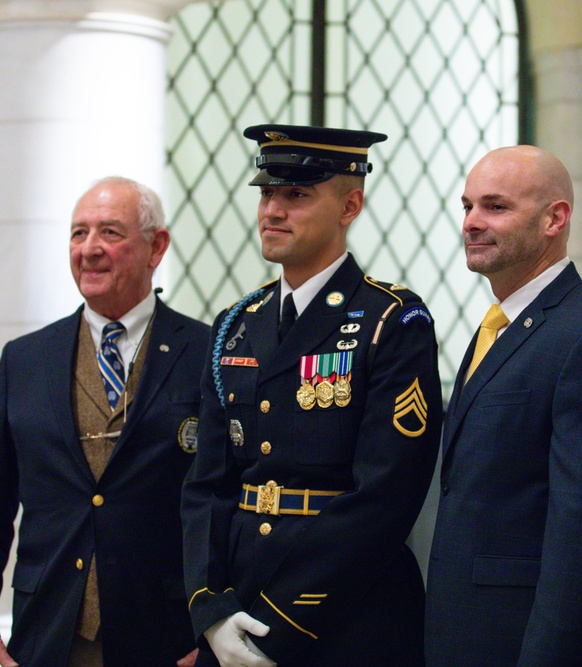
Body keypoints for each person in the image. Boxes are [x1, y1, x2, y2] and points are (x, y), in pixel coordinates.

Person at [182, 124, 442, 667]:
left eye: (296, 195)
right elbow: (207, 485)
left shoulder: (390, 320)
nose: (272, 209)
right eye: (266, 192)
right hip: (236, 612)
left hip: (344, 615)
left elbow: (386, 495)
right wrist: (211, 608)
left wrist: (280, 619)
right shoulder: (235, 324)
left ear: (350, 205)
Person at [0, 176, 209, 667]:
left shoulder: (206, 354)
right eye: (78, 233)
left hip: (166, 634)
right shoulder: (24, 360)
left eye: (110, 233)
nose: (89, 249)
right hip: (49, 630)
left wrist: (214, 628)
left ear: (156, 247)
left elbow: (226, 503)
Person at [424, 145, 582, 666]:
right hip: (466, 638)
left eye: (495, 206)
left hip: (532, 648)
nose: (472, 223)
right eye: (467, 207)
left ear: (555, 218)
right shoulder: (500, 326)